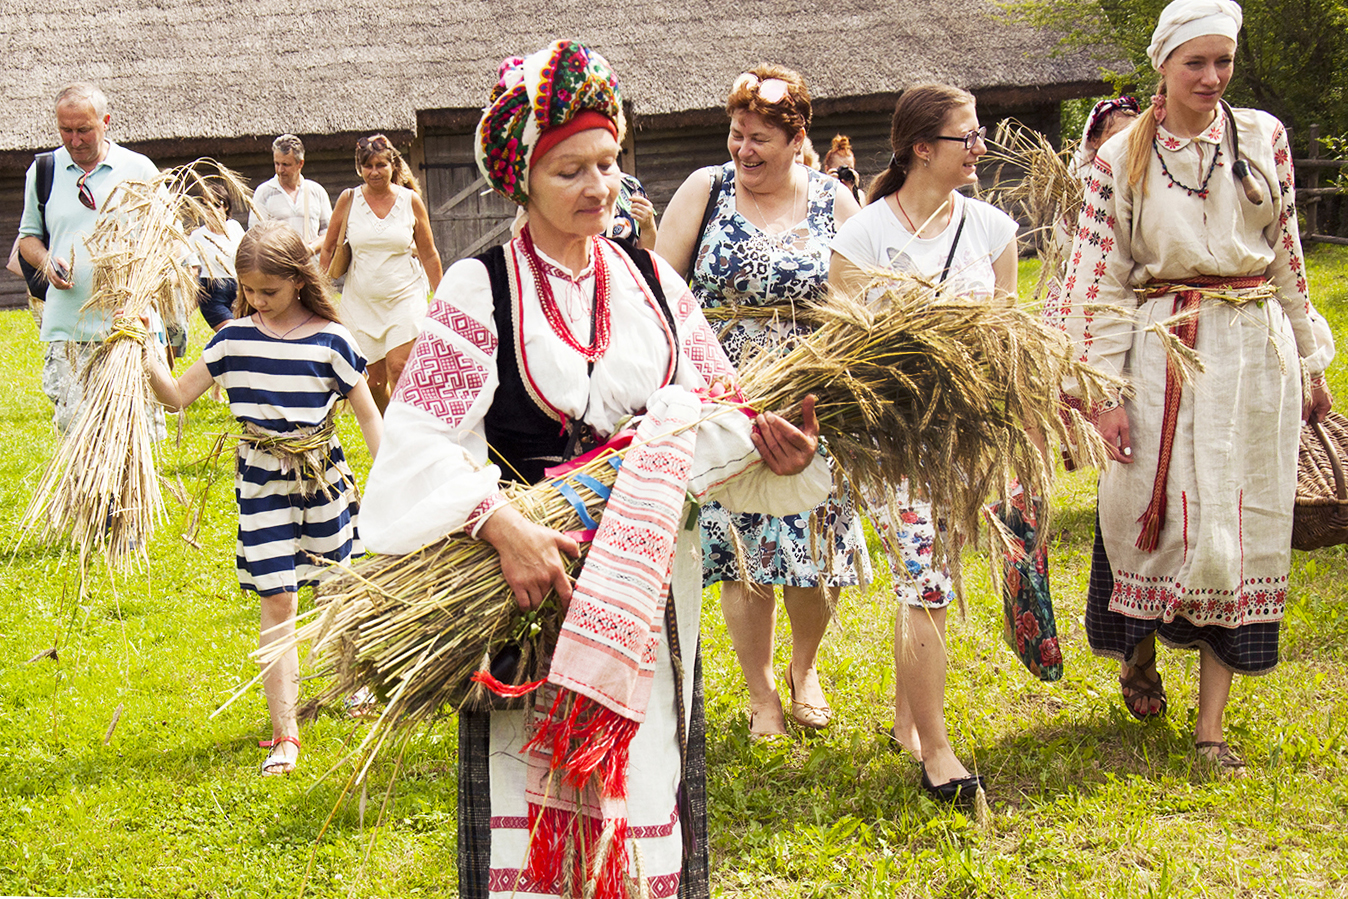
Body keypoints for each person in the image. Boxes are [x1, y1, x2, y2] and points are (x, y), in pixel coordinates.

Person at [359, 40, 830, 899]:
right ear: (522, 179)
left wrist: (772, 446)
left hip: (648, 586)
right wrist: (500, 523)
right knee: (532, 798)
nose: (597, 187)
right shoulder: (480, 287)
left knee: (644, 777)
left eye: (608, 163)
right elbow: (415, 437)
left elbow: (719, 411)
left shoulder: (655, 284)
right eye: (570, 169)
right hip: (529, 587)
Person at [1060, 0, 1334, 770]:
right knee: (1148, 510)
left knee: (1240, 524)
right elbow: (1097, 284)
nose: (1212, 78)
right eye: (1196, 63)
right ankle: (1136, 649)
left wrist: (1310, 364)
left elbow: (1287, 254)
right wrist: (1103, 393)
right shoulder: (1121, 159)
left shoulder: (1264, 137)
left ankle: (1211, 727)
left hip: (1254, 353)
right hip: (1164, 348)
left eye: (1223, 62)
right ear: (1163, 66)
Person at [656, 65, 870, 738]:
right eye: (736, 134)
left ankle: (805, 670)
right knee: (743, 551)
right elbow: (660, 289)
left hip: (813, 397)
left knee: (812, 547)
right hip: (726, 394)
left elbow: (864, 305)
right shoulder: (706, 189)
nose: (743, 150)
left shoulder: (834, 201)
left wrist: (832, 381)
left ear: (796, 138)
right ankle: (759, 693)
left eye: (759, 140)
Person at [829, 83, 1018, 803]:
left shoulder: (995, 231)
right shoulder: (864, 235)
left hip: (962, 436)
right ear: (921, 148)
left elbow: (1007, 342)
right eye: (966, 137)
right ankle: (937, 751)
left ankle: (907, 720)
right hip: (891, 440)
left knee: (927, 578)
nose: (979, 147)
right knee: (929, 578)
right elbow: (841, 349)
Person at [144, 221, 383, 776]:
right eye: (247, 291)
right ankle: (286, 733)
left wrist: (392, 478)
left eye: (267, 292)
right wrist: (145, 350)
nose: (255, 301)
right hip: (262, 487)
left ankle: (353, 682)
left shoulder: (333, 339)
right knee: (278, 601)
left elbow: (370, 417)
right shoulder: (232, 339)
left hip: (322, 483)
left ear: (299, 281)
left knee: (337, 591)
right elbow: (179, 396)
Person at [17, 83, 159, 432]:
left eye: (84, 130)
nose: (75, 140)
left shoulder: (139, 169)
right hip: (68, 330)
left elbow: (164, 244)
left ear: (105, 121)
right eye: (66, 130)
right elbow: (27, 239)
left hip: (127, 327)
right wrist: (47, 261)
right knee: (77, 436)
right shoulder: (43, 171)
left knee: (129, 436)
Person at [321, 134, 443, 412]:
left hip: (403, 296)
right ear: (359, 169)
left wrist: (443, 296)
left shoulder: (410, 201)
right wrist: (319, 292)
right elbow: (328, 249)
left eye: (380, 165)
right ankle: (389, 436)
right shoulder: (348, 199)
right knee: (374, 383)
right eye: (368, 166)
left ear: (392, 166)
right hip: (361, 302)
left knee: (399, 369)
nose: (374, 172)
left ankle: (408, 433)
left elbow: (429, 253)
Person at [249, 134, 332, 258]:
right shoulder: (263, 192)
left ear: (300, 163)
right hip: (278, 269)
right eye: (277, 164)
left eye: (286, 164)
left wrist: (311, 249)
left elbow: (329, 232)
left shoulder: (316, 191)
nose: (280, 170)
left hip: (311, 269)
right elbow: (255, 236)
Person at [187, 180, 246, 332]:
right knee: (232, 334)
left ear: (226, 206)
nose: (211, 210)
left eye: (216, 204)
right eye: (206, 206)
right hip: (212, 293)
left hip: (239, 290)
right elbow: (191, 268)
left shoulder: (235, 228)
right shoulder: (197, 236)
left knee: (245, 336)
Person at [822, 134, 862, 202]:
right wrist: (829, 188)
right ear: (827, 170)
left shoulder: (860, 195)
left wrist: (854, 191)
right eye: (840, 169)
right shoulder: (819, 195)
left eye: (849, 169)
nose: (845, 173)